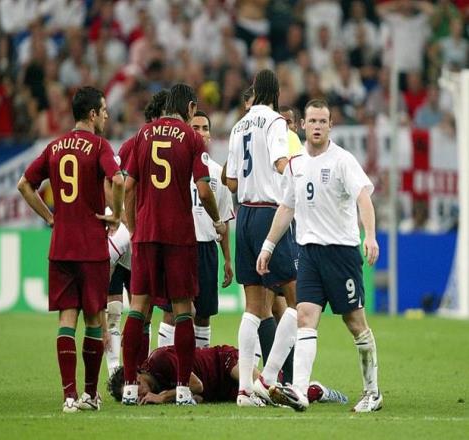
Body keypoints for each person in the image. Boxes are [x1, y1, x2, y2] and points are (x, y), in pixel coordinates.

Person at [257, 99, 382, 412]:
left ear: (330, 126)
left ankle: (372, 392)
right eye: (312, 121)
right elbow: (287, 207)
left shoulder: (342, 160)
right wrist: (268, 245)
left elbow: (363, 198)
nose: (317, 126)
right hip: (309, 254)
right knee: (305, 317)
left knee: (355, 322)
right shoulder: (296, 164)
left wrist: (370, 235)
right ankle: (300, 391)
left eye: (322, 122)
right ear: (302, 125)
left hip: (341, 254)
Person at [16, 86, 125, 412]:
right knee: (93, 319)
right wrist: (117, 214)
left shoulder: (55, 146)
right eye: (103, 110)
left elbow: (24, 184)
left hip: (61, 245)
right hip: (91, 247)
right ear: (92, 114)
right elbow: (119, 180)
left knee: (67, 319)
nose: (106, 115)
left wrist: (50, 217)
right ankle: (90, 395)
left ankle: (68, 396)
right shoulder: (99, 146)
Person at [121, 83, 227, 406]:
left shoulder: (143, 135)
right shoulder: (191, 138)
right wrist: (217, 219)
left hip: (147, 233)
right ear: (191, 108)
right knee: (183, 310)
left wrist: (134, 228)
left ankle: (129, 386)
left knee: (138, 307)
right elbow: (204, 190)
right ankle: (182, 388)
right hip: (179, 235)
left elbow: (128, 187)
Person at [225, 69, 298, 407]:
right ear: (276, 92)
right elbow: (281, 162)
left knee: (253, 307)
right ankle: (270, 379)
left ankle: (244, 390)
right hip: (270, 213)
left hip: (245, 215)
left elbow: (232, 182)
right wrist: (301, 174)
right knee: (298, 299)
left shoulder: (238, 126)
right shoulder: (275, 122)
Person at [105, 89, 170, 377]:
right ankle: (114, 371)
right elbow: (112, 183)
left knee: (143, 311)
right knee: (114, 310)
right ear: (157, 116)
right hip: (128, 233)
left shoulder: (168, 145)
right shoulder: (134, 144)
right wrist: (122, 218)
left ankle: (139, 371)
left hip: (146, 236)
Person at [158, 110, 235, 349]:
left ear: (210, 135)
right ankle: (162, 362)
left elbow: (223, 219)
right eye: (195, 127)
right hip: (179, 247)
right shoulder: (173, 167)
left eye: (205, 128)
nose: (201, 133)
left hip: (207, 249)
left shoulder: (218, 173)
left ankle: (201, 364)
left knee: (203, 314)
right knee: (173, 312)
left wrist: (227, 259)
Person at [107, 345, 348, 406]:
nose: (140, 392)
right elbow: (197, 398)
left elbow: (196, 386)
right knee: (273, 401)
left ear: (137, 374)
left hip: (224, 361)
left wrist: (162, 398)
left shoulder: (159, 360)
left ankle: (313, 388)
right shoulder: (155, 388)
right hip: (220, 391)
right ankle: (315, 392)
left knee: (265, 388)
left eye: (136, 386)